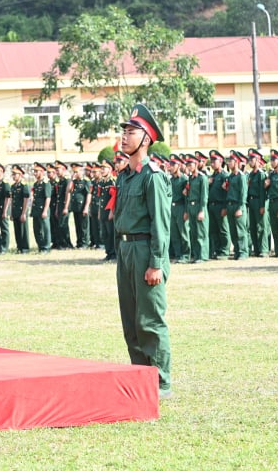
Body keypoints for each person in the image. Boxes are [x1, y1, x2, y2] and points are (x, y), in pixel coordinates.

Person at [113, 103, 172, 400]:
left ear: (146, 139)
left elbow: (161, 223)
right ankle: (140, 378)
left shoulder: (153, 176)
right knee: (131, 321)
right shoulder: (125, 176)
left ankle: (160, 383)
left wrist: (156, 263)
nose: (124, 136)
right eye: (123, 130)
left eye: (131, 131)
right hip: (125, 251)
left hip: (145, 251)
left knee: (150, 320)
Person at [185, 153, 209, 263]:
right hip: (191, 206)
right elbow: (188, 195)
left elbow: (204, 196)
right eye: (188, 165)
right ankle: (196, 255)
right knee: (193, 233)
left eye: (191, 165)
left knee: (201, 233)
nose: (189, 167)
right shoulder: (191, 178)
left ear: (196, 164)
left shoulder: (202, 178)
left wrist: (202, 210)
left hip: (199, 206)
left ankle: (202, 256)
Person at [225, 151, 249, 260]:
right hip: (230, 205)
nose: (228, 164)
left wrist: (240, 208)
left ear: (236, 162)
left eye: (230, 162)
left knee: (240, 230)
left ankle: (243, 252)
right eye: (228, 162)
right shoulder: (230, 177)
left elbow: (243, 194)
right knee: (233, 231)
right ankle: (237, 251)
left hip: (238, 205)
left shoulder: (241, 176)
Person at [246, 149, 269, 257]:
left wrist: (262, 205)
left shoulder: (261, 174)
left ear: (257, 160)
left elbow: (262, 191)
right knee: (253, 227)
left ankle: (263, 249)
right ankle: (256, 249)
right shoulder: (251, 174)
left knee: (261, 226)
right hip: (251, 201)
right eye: (249, 159)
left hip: (259, 201)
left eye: (252, 159)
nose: (250, 161)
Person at [9, 165, 31, 254]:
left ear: (20, 175)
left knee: (23, 230)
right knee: (17, 230)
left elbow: (26, 200)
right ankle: (19, 247)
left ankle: (25, 248)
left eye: (15, 174)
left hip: (22, 210)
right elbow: (12, 200)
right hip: (15, 211)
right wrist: (11, 212)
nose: (13, 176)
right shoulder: (13, 186)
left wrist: (24, 213)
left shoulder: (24, 186)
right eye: (13, 174)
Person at [69, 163, 92, 248]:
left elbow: (89, 194)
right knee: (77, 226)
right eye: (73, 171)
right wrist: (71, 179)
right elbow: (68, 190)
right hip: (76, 207)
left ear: (81, 171)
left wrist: (86, 207)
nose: (75, 173)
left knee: (84, 226)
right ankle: (79, 242)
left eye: (76, 171)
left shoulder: (86, 181)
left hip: (83, 207)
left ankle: (85, 243)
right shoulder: (74, 182)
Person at [30, 162, 52, 253]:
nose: (34, 173)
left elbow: (48, 198)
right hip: (36, 209)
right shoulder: (36, 184)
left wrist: (45, 210)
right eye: (34, 171)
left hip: (43, 209)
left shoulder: (46, 183)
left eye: (36, 171)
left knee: (45, 229)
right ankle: (40, 246)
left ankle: (46, 247)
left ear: (42, 172)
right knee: (36, 229)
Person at [0, 163, 12, 254]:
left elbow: (8, 198)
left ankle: (4, 247)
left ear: (2, 172)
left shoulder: (5, 184)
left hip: (3, 209)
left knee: (4, 229)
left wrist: (5, 211)